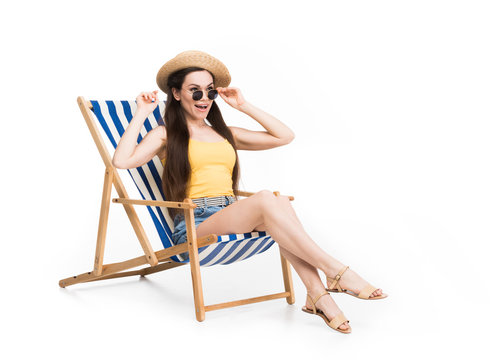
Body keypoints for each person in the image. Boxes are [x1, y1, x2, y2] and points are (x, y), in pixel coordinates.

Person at [112, 50, 387, 334]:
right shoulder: (165, 134)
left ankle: (318, 296)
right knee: (269, 199)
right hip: (196, 223)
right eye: (195, 92)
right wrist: (141, 114)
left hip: (231, 212)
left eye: (209, 92)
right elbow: (121, 162)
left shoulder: (225, 133)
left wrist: (243, 105)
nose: (204, 99)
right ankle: (337, 272)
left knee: (277, 204)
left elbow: (284, 136)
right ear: (177, 94)